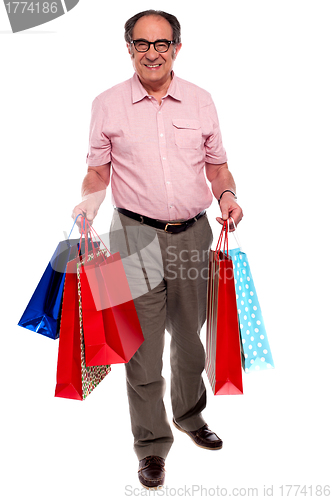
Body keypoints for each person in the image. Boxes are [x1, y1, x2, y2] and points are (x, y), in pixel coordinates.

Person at [72, 10, 243, 490]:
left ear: (177, 48)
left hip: (193, 234)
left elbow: (219, 166)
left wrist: (227, 195)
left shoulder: (202, 101)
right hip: (131, 236)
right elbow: (97, 171)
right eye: (142, 44)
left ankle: (191, 416)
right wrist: (87, 204)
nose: (152, 52)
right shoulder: (106, 104)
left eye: (162, 43)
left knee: (190, 342)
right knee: (140, 352)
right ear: (128, 48)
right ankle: (150, 446)